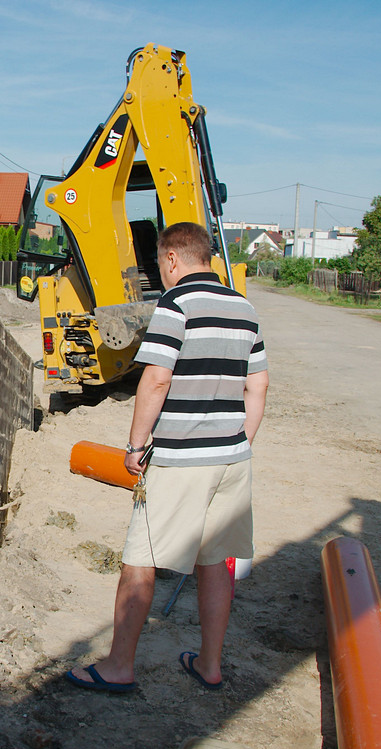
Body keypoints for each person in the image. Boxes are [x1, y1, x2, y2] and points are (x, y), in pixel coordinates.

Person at [68, 221, 269, 693]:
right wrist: (238, 442)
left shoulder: (175, 304)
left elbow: (156, 379)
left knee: (141, 558)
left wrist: (136, 446)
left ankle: (119, 667)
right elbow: (257, 386)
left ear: (173, 258)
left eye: (160, 263)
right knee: (215, 561)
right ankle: (210, 665)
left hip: (181, 460)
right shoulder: (245, 308)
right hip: (232, 460)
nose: (161, 272)